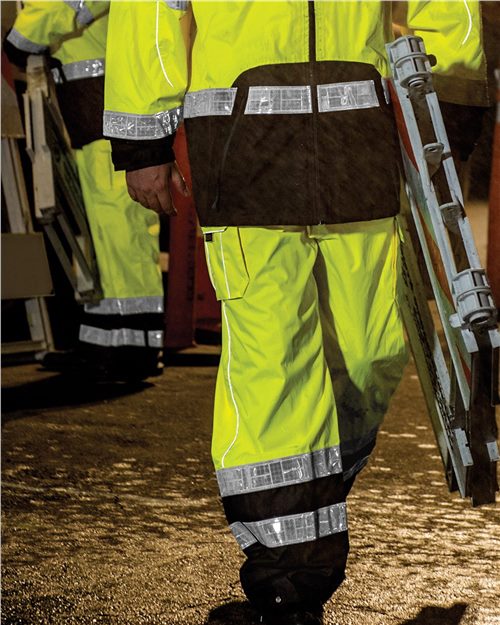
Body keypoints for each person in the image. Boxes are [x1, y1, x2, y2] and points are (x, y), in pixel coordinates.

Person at [102, 2, 488, 623]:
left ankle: (307, 514)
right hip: (240, 147)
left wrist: (452, 98)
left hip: (361, 147)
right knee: (275, 363)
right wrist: (143, 135)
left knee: (372, 352)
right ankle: (287, 579)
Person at [4, 0, 165, 383]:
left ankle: (135, 347)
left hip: (107, 100)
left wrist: (23, 34)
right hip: (90, 102)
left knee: (121, 225)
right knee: (103, 230)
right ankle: (105, 341)